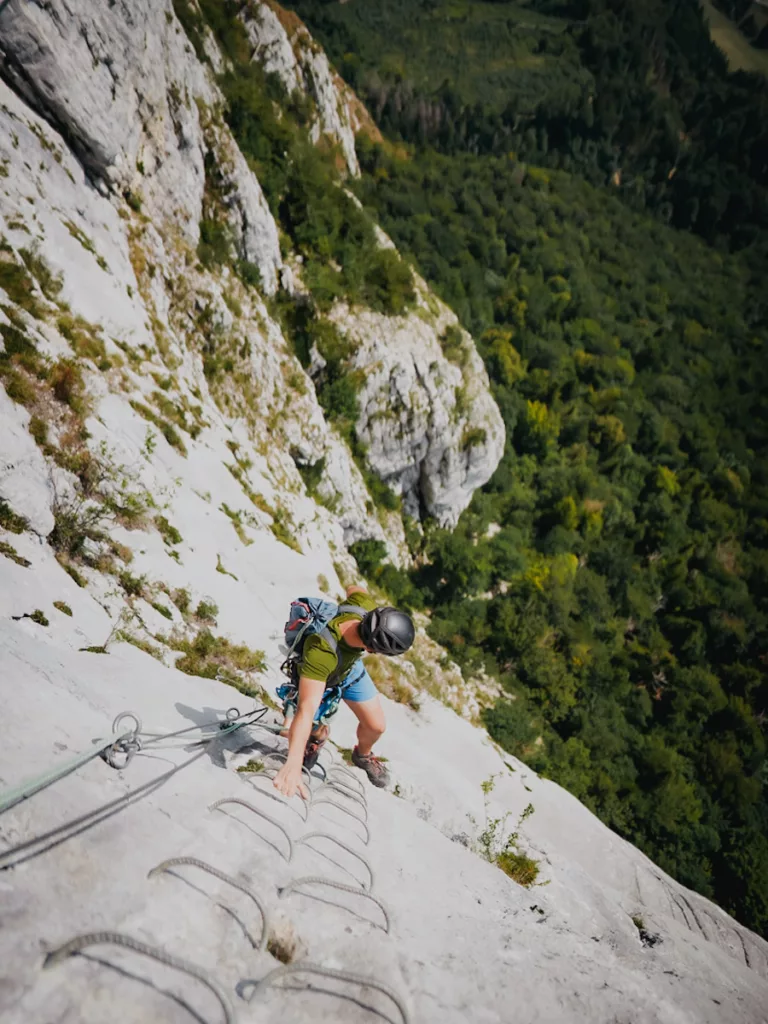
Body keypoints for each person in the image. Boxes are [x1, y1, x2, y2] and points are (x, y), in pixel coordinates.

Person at [272, 586, 415, 800]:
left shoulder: (364, 606)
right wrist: (292, 764)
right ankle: (315, 738)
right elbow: (306, 708)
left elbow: (355, 588)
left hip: (350, 669)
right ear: (372, 650)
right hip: (321, 674)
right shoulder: (322, 651)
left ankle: (362, 755)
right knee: (313, 723)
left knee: (376, 726)